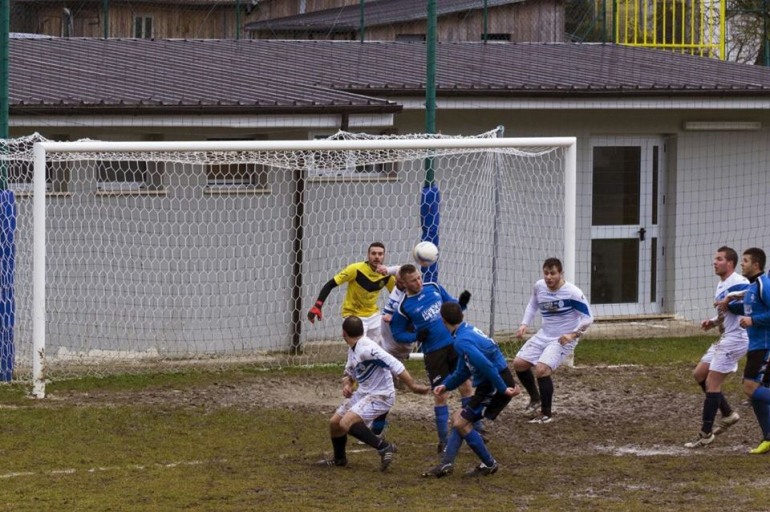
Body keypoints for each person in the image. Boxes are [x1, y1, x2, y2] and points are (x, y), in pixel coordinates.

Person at [316, 316, 430, 470]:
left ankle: (384, 447)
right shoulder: (353, 349)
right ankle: (339, 459)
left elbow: (395, 364)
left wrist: (413, 386)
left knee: (346, 422)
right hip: (365, 392)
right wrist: (347, 385)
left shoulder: (368, 349)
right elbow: (348, 373)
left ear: (343, 333)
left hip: (381, 395)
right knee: (335, 423)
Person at [422, 302, 520, 478]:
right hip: (492, 383)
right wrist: (447, 385)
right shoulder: (465, 332)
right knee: (459, 418)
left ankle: (489, 464)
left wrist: (503, 389)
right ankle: (446, 464)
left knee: (461, 422)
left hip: (494, 386)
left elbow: (486, 365)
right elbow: (464, 369)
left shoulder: (461, 341)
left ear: (443, 321)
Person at [389, 264, 474, 453]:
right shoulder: (403, 308)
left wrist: (462, 303)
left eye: (419, 278)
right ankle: (443, 441)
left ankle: (475, 430)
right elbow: (398, 334)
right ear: (403, 282)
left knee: (466, 386)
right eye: (413, 280)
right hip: (434, 354)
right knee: (440, 394)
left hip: (454, 344)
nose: (419, 282)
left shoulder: (434, 288)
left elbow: (453, 306)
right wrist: (416, 336)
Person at [513, 257, 593, 424]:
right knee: (519, 364)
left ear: (560, 273)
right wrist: (524, 324)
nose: (549, 277)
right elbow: (533, 304)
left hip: (563, 338)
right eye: (546, 273)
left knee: (541, 369)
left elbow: (588, 318)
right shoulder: (539, 286)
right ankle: (535, 398)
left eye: (553, 273)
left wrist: (572, 334)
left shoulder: (573, 293)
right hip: (544, 334)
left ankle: (546, 414)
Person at [684, 246, 749, 448]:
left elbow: (749, 297)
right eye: (715, 259)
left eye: (719, 259)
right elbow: (725, 311)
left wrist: (729, 300)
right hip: (725, 337)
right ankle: (728, 414)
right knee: (699, 374)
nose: (715, 262)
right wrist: (713, 322)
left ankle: (705, 434)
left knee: (713, 382)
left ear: (730, 263)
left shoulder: (740, 281)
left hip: (737, 338)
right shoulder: (722, 284)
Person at [720, 247, 770, 454]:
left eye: (746, 261)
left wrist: (753, 320)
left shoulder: (763, 285)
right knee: (755, 393)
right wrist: (728, 306)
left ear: (756, 264)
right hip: (756, 346)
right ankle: (768, 437)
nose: (743, 264)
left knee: (750, 388)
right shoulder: (751, 289)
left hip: (765, 346)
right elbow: (748, 308)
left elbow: (758, 315)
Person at [307, 242, 395, 343]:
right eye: (373, 253)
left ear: (384, 256)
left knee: (382, 346)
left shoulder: (387, 275)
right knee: (360, 347)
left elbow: (396, 295)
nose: (377, 257)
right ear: (368, 255)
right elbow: (330, 284)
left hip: (373, 316)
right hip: (353, 315)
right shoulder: (355, 269)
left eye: (380, 254)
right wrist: (318, 305)